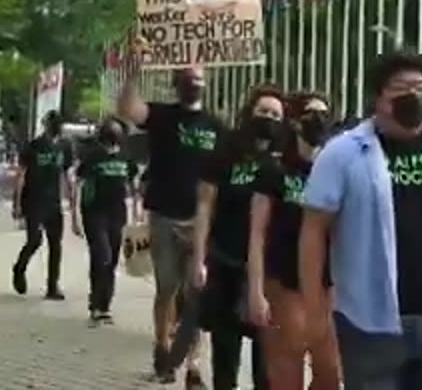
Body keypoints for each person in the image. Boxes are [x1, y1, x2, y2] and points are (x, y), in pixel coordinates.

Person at [300, 49, 422, 390]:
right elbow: (314, 230)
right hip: (369, 324)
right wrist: (314, 309)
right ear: (378, 98)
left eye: (421, 88)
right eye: (400, 88)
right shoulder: (343, 154)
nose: (414, 96)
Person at [117, 66, 223, 384]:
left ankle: (193, 364)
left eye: (199, 79)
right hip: (164, 216)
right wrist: (132, 75)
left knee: (197, 293)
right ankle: (162, 347)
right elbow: (127, 109)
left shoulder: (216, 126)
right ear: (176, 85)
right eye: (188, 79)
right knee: (166, 289)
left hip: (201, 222)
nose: (194, 84)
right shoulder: (162, 116)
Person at [179, 85, 283, 390]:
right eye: (263, 111)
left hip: (269, 270)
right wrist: (199, 258)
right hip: (226, 261)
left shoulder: (283, 160)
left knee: (267, 359)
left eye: (276, 114)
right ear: (249, 113)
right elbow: (205, 205)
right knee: (226, 351)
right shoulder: (226, 152)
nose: (268, 118)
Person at [248, 91, 340, 390]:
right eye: (311, 114)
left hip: (325, 284)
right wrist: (255, 291)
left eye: (324, 115)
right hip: (283, 282)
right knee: (287, 371)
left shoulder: (335, 171)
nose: (318, 121)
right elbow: (257, 233)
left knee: (330, 371)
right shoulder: (275, 170)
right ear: (295, 123)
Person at [71, 116, 140, 326]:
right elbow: (78, 185)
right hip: (94, 213)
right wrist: (74, 216)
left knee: (111, 260)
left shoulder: (126, 158)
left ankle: (104, 306)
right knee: (102, 255)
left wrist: (137, 212)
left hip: (117, 214)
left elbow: (134, 185)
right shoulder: (93, 157)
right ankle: (95, 304)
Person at [13, 110, 71, 300]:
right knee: (34, 240)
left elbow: (66, 174)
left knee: (56, 244)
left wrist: (70, 200)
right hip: (33, 200)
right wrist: (17, 203)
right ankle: (19, 268)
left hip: (53, 201)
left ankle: (52, 286)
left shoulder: (64, 146)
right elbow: (21, 174)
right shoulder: (34, 146)